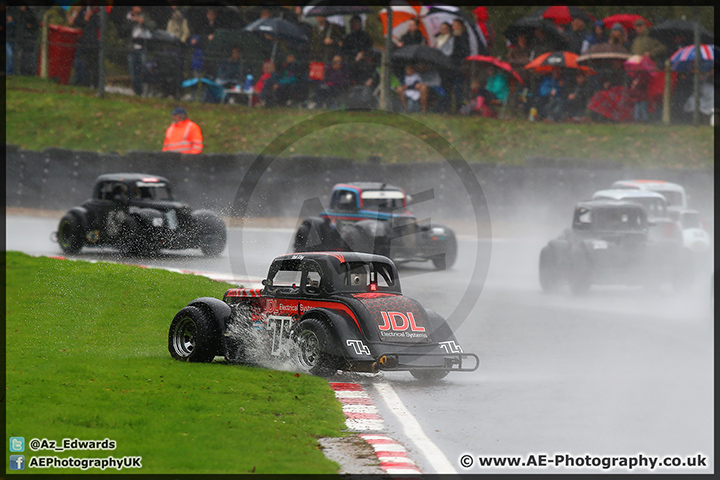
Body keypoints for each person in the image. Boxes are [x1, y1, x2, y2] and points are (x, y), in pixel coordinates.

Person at [119, 6, 155, 96]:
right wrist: (133, 22)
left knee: (144, 70)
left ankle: (146, 90)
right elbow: (123, 30)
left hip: (143, 48)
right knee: (133, 72)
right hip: (131, 48)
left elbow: (153, 26)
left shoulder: (145, 16)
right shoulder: (127, 17)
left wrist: (143, 22)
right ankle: (137, 91)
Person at [70, 3, 101, 88]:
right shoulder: (83, 11)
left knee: (95, 65)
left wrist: (93, 17)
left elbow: (100, 25)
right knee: (85, 63)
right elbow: (76, 23)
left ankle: (96, 84)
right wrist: (85, 19)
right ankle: (85, 83)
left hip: (95, 42)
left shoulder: (100, 13)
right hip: (85, 41)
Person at [449, 19, 470, 113]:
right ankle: (451, 107)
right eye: (453, 25)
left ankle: (460, 107)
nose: (454, 27)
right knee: (452, 87)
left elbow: (465, 51)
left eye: (456, 25)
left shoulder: (464, 36)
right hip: (452, 65)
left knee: (459, 87)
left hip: (460, 66)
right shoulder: (452, 37)